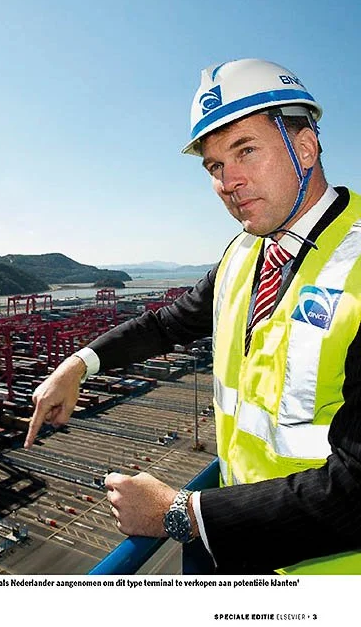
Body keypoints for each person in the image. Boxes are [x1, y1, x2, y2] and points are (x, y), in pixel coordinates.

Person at [26, 59, 361, 574]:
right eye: (214, 166)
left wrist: (183, 513)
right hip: (242, 552)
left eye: (245, 150)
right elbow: (166, 324)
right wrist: (79, 364)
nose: (230, 181)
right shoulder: (244, 255)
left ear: (306, 147)